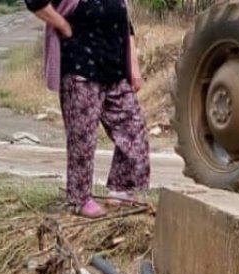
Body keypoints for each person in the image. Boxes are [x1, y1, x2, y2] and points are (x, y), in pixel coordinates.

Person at [27, 0, 151, 218]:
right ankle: (79, 199)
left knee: (134, 129)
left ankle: (122, 190)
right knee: (82, 138)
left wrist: (134, 67)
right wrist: (63, 26)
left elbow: (125, 24)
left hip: (115, 70)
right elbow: (35, 2)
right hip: (80, 67)